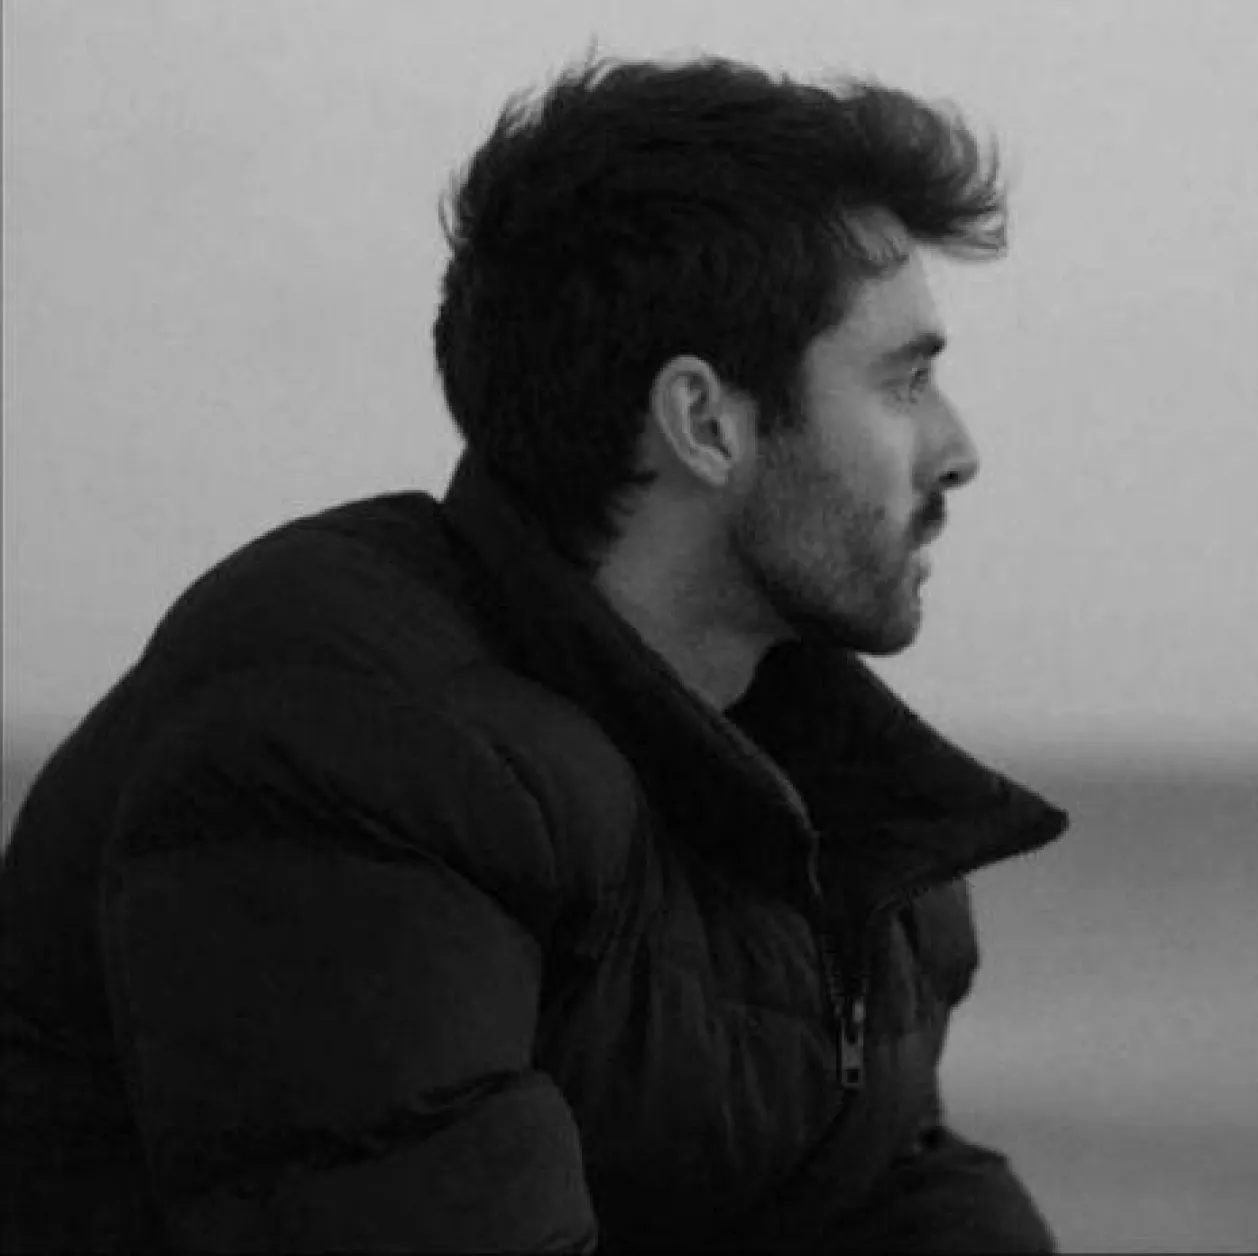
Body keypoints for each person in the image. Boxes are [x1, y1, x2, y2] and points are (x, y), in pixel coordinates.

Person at [0, 55, 1069, 1252]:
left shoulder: (829, 808)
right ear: (703, 422)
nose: (956, 448)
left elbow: (885, 1193)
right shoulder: (346, 744)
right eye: (904, 381)